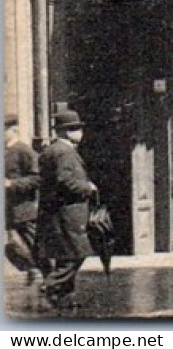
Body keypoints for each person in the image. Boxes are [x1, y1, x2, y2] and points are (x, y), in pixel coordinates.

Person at [36, 109, 96, 309]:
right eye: (76, 129)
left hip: (57, 212)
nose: (80, 132)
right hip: (68, 212)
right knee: (76, 254)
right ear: (66, 132)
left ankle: (65, 299)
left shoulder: (51, 150)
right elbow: (65, 181)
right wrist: (87, 187)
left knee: (66, 255)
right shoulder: (64, 152)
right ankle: (51, 285)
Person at [5, 115, 39, 282]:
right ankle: (32, 270)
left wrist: (11, 184)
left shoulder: (23, 151)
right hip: (8, 210)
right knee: (12, 248)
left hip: (23, 210)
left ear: (14, 130)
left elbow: (37, 178)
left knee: (35, 245)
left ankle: (49, 279)